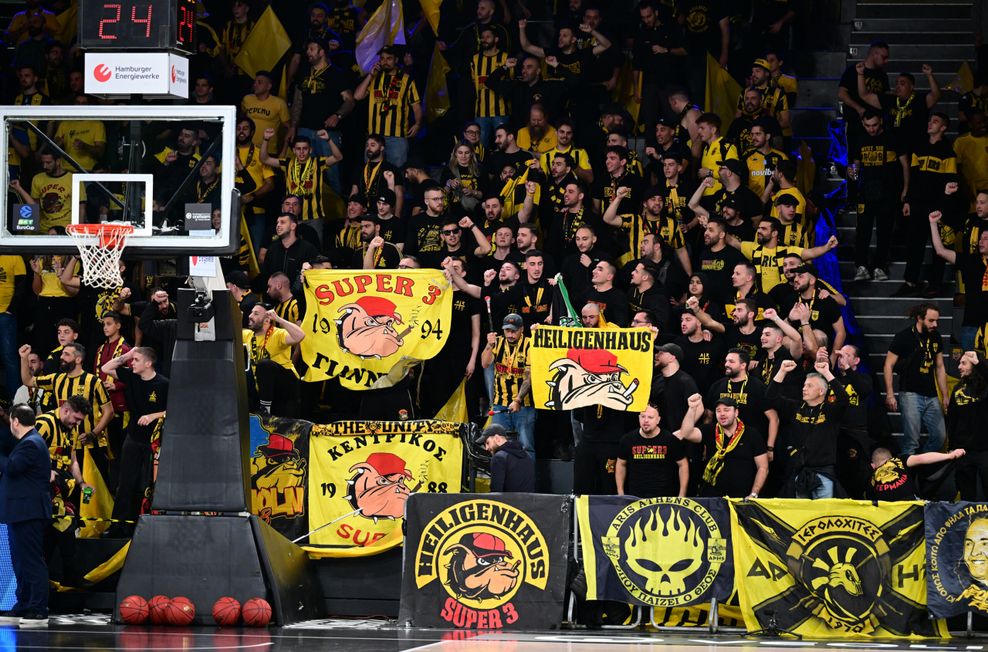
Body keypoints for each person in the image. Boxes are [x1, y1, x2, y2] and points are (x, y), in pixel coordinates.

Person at [100, 347, 168, 537]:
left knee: (146, 484)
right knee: (125, 483)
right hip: (133, 437)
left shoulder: (163, 384)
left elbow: (174, 409)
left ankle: (144, 526)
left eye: (136, 360)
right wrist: (128, 355)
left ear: (148, 363)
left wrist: (153, 415)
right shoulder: (131, 376)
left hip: (153, 441)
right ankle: (117, 526)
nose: (132, 363)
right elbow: (106, 368)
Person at [769, 349, 849, 498]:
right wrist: (781, 371)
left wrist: (826, 373)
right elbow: (771, 398)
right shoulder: (796, 407)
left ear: (821, 391)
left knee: (823, 517)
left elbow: (844, 398)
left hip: (824, 474)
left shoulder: (830, 411)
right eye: (804, 385)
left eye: (809, 386)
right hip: (799, 472)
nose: (804, 389)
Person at [0, 404, 51, 628]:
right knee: (20, 561)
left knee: (31, 561)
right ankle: (24, 603)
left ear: (15, 421)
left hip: (28, 512)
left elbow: (12, 467)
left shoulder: (31, 443)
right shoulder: (29, 441)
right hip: (19, 512)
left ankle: (39, 609)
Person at [883, 303, 947, 456]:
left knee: (940, 437)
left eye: (937, 320)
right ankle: (910, 475)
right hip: (910, 393)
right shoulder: (903, 336)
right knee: (911, 441)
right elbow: (888, 365)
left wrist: (945, 396)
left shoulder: (936, 336)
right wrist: (890, 394)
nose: (935, 324)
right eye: (931, 321)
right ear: (919, 318)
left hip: (931, 394)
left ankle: (921, 463)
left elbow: (940, 367)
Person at [677, 394, 769, 498]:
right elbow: (686, 433)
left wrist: (754, 493)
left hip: (742, 499)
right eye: (718, 411)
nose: (722, 414)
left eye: (726, 410)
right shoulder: (709, 430)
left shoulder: (752, 434)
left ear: (736, 413)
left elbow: (763, 467)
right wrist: (692, 408)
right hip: (711, 498)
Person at [481, 313, 535, 458]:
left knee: (526, 446)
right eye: (507, 331)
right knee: (498, 446)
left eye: (514, 331)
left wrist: (518, 400)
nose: (510, 334)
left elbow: (529, 377)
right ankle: (502, 478)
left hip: (524, 404)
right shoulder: (497, 342)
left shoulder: (530, 344)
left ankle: (527, 480)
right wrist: (489, 345)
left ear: (522, 329)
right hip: (500, 403)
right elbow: (485, 363)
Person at [243, 305, 307, 417]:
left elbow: (300, 336)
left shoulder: (278, 334)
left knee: (264, 365)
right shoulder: (247, 335)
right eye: (251, 312)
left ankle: (265, 411)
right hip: (263, 391)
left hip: (285, 387)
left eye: (256, 314)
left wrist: (278, 319)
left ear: (267, 320)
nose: (250, 316)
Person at [615, 403, 688, 498]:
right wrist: (620, 493)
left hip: (664, 498)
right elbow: (620, 464)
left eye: (650, 417)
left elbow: (683, 464)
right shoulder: (627, 440)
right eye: (643, 416)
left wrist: (682, 495)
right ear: (638, 418)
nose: (646, 420)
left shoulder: (670, 439)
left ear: (658, 420)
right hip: (635, 498)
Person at [946, 351, 988, 501]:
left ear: (974, 366)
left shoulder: (985, 387)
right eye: (959, 363)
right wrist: (952, 447)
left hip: (985, 450)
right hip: (963, 451)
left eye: (964, 363)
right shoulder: (958, 389)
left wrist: (979, 363)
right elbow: (952, 420)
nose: (959, 367)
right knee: (966, 497)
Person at [869, 446, 965, 501]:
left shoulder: (871, 475)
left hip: (886, 508)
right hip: (910, 503)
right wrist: (950, 456)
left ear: (873, 466)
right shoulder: (899, 460)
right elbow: (921, 458)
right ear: (891, 458)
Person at [475, 424, 535, 493]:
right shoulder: (527, 456)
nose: (486, 448)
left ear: (497, 438)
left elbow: (496, 492)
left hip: (507, 502)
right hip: (527, 502)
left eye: (487, 443)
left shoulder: (499, 457)